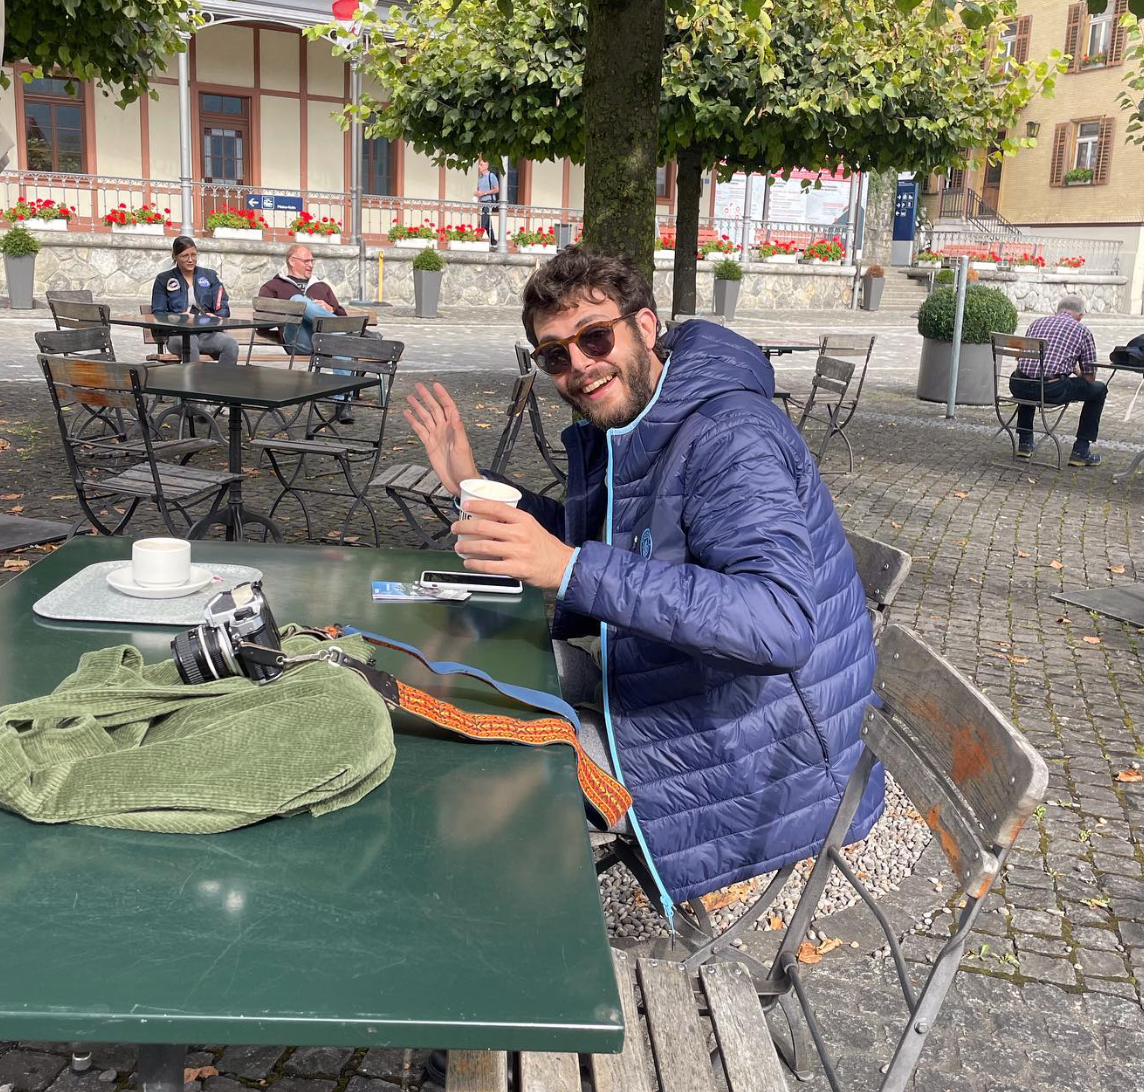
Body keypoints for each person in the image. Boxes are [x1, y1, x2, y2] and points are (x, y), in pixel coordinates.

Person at [402, 247, 883, 909]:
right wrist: (470, 483)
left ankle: (499, 964)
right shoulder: (636, 424)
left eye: (594, 337)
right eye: (555, 356)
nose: (579, 366)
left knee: (463, 783)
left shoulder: (728, 435)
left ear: (646, 326)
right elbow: (586, 544)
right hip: (675, 687)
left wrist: (568, 570)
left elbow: (781, 623)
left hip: (756, 749)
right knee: (449, 685)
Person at [258, 244, 354, 421]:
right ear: (291, 261)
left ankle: (342, 402)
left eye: (312, 261)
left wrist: (330, 308)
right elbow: (261, 324)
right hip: (297, 340)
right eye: (306, 261)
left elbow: (342, 315)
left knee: (340, 339)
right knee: (297, 301)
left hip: (325, 341)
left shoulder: (322, 286)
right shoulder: (274, 286)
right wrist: (290, 310)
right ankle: (355, 332)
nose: (311, 265)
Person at [1011, 295, 1106, 467]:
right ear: (1081, 315)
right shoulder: (1082, 330)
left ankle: (1025, 442)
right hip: (1051, 390)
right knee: (1099, 389)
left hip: (1019, 386)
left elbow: (1023, 361)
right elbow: (1090, 377)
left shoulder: (1036, 323)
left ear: (1057, 311)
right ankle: (1080, 451)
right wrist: (1077, 371)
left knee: (1029, 378)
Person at [150, 236, 239, 365]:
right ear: (175, 257)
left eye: (193, 255)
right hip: (178, 334)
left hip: (206, 332)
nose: (190, 260)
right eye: (184, 256)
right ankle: (195, 383)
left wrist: (215, 316)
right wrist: (179, 318)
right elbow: (158, 313)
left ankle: (222, 382)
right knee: (190, 342)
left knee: (230, 344)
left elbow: (223, 306)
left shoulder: (210, 276)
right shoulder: (163, 279)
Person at [473, 157, 499, 250]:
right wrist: (477, 193)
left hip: (489, 201)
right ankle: (494, 242)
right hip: (482, 202)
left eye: (481, 165)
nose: (479, 166)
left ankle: (478, 235)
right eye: (479, 165)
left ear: (486, 166)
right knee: (487, 222)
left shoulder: (491, 176)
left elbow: (496, 189)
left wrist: (484, 193)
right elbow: (479, 190)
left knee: (484, 218)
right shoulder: (480, 178)